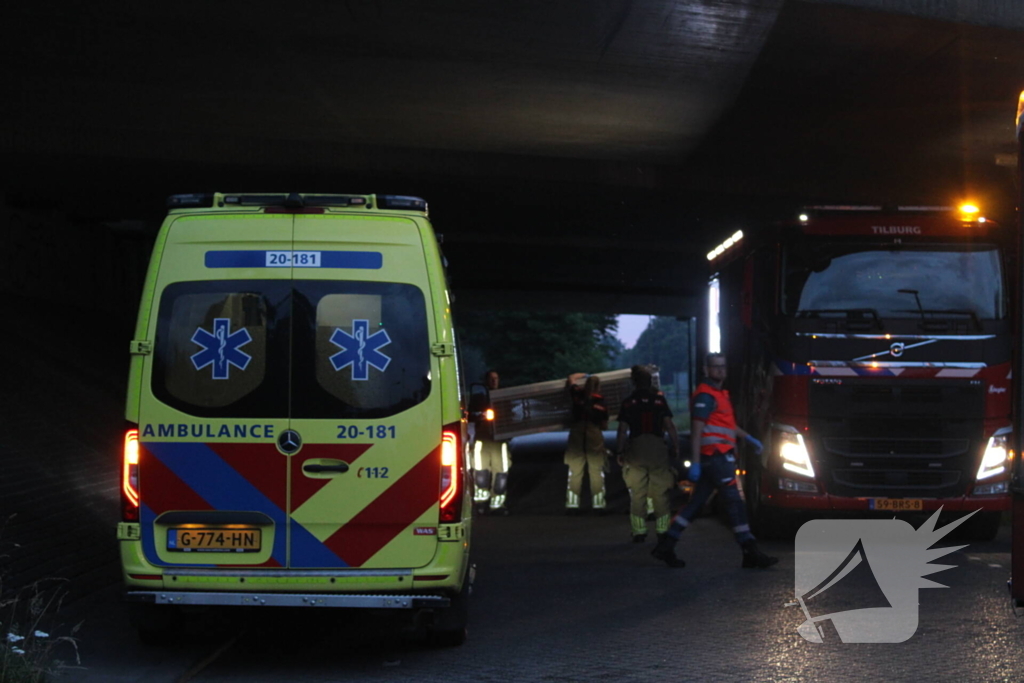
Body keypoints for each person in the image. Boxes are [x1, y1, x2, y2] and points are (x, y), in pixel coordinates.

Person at [651, 353, 778, 569]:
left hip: (717, 457)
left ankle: (666, 544)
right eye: (716, 367)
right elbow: (697, 430)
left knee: (697, 503)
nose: (720, 370)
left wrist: (748, 438)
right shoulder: (705, 396)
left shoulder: (719, 394)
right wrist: (696, 461)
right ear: (706, 369)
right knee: (735, 502)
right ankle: (749, 550)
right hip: (716, 457)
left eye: (723, 367)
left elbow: (726, 425)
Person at [615, 365, 678, 542]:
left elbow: (622, 430)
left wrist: (619, 451)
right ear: (650, 382)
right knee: (660, 491)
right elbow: (670, 425)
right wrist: (676, 446)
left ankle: (639, 531)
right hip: (657, 447)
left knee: (637, 492)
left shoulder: (628, 402)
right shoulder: (659, 401)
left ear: (634, 383)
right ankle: (663, 530)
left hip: (636, 448)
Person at [563, 373, 610, 514]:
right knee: (596, 472)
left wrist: (584, 374)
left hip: (576, 435)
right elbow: (604, 425)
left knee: (575, 472)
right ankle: (598, 506)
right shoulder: (601, 403)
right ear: (599, 388)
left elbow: (570, 378)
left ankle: (572, 506)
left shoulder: (577, 395)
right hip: (593, 436)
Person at [470, 370, 511, 515]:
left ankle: (498, 505)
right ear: (486, 380)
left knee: (501, 473)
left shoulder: (504, 398)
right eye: (491, 378)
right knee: (481, 473)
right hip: (482, 440)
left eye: (496, 378)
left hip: (500, 441)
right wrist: (481, 415)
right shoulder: (478, 397)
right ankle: (480, 504)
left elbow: (511, 417)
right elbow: (469, 414)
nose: (494, 381)